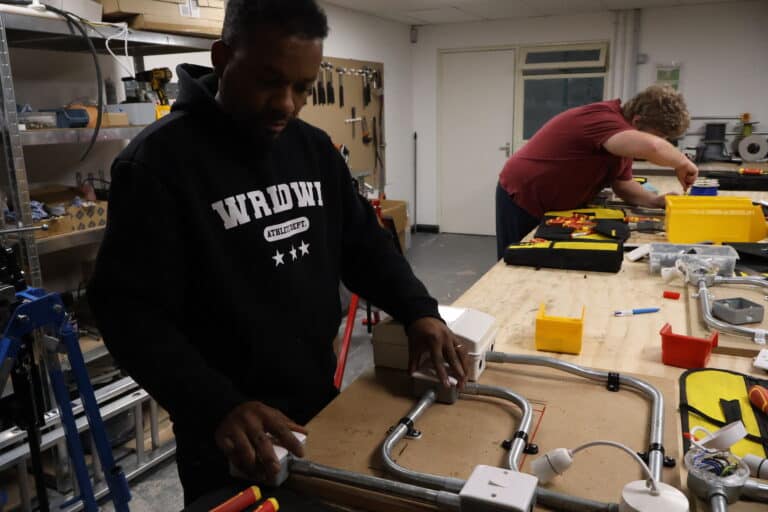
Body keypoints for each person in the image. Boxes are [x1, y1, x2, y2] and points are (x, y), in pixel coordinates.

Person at [87, 0, 468, 504]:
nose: (287, 103)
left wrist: (419, 311)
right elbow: (129, 314)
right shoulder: (157, 164)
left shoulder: (313, 149)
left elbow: (365, 247)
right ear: (223, 58)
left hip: (318, 403)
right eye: (270, 81)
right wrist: (218, 404)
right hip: (227, 432)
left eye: (304, 87)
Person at [495, 85, 698, 259]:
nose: (665, 143)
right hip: (523, 197)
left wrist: (656, 201)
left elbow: (623, 184)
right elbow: (653, 147)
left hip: (556, 207)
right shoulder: (602, 120)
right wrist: (682, 162)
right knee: (515, 259)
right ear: (637, 122)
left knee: (542, 261)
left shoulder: (623, 140)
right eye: (662, 136)